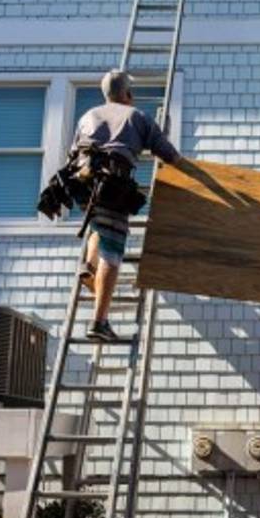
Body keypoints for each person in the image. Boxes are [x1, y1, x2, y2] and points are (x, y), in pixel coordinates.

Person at [71, 69, 182, 343]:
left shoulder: (87, 116)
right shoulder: (137, 117)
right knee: (113, 252)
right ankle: (99, 322)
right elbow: (168, 154)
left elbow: (72, 152)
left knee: (99, 226)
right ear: (127, 94)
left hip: (82, 183)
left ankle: (89, 263)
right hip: (112, 185)